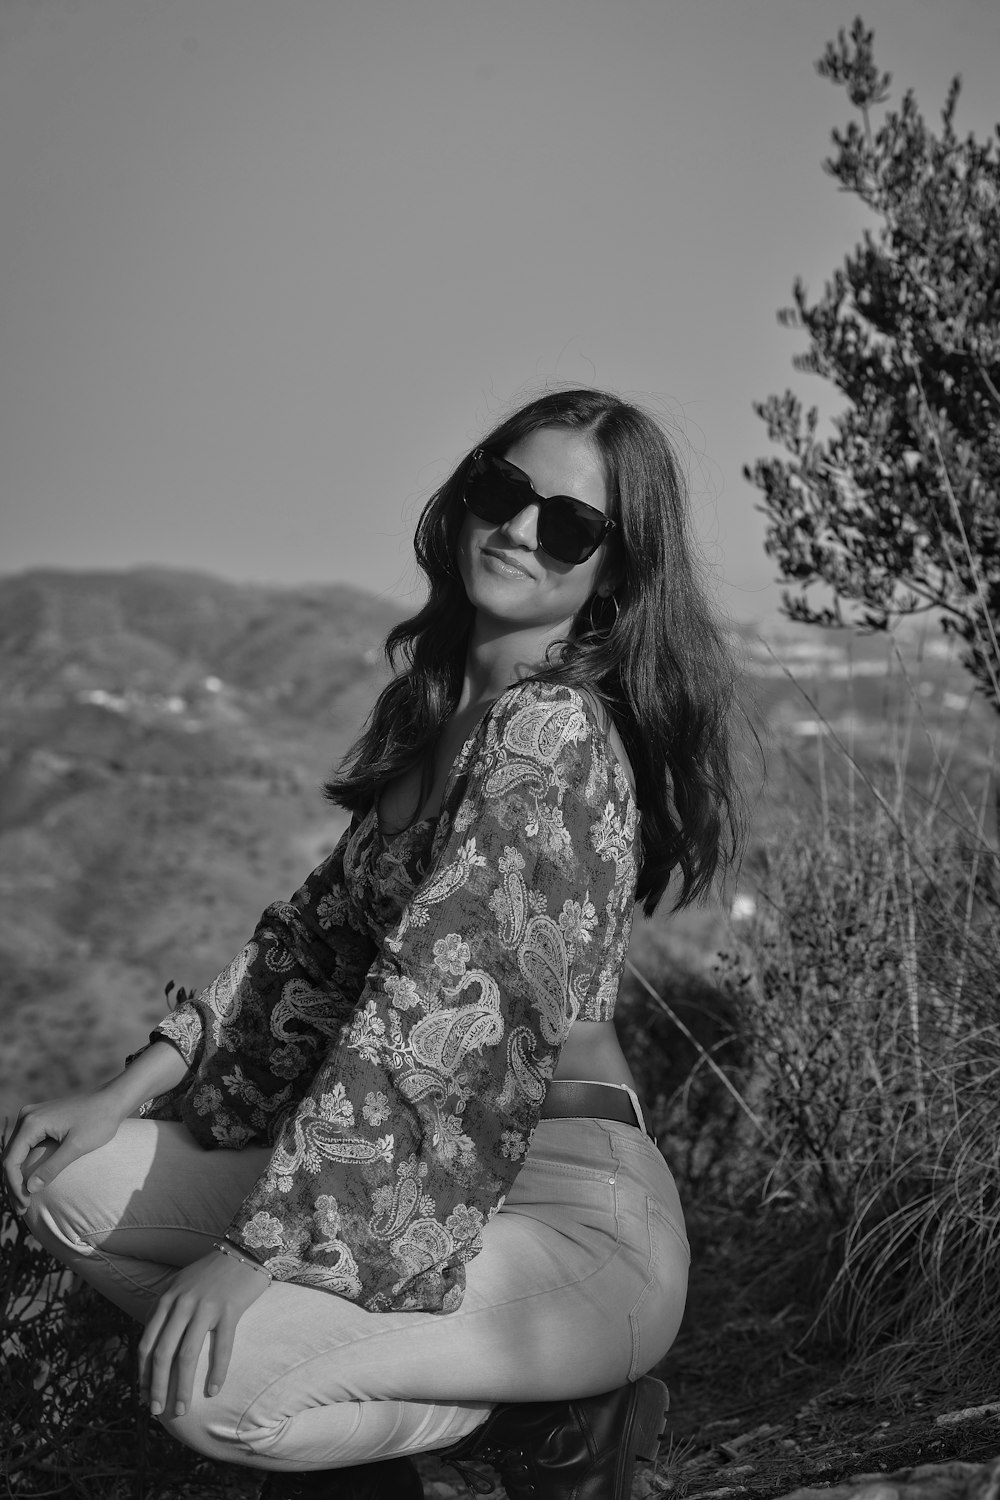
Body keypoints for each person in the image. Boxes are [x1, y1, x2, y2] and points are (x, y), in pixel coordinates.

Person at [4, 387, 745, 1500]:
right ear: (466, 494)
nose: (517, 527)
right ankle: (401, 1432)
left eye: (568, 526)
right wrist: (130, 1086)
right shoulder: (440, 713)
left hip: (564, 1214)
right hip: (419, 1178)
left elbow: (442, 1024)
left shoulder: (551, 732)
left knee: (212, 1393)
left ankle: (546, 1414)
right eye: (503, 489)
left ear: (614, 576)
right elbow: (302, 951)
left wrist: (258, 1254)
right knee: (63, 1182)